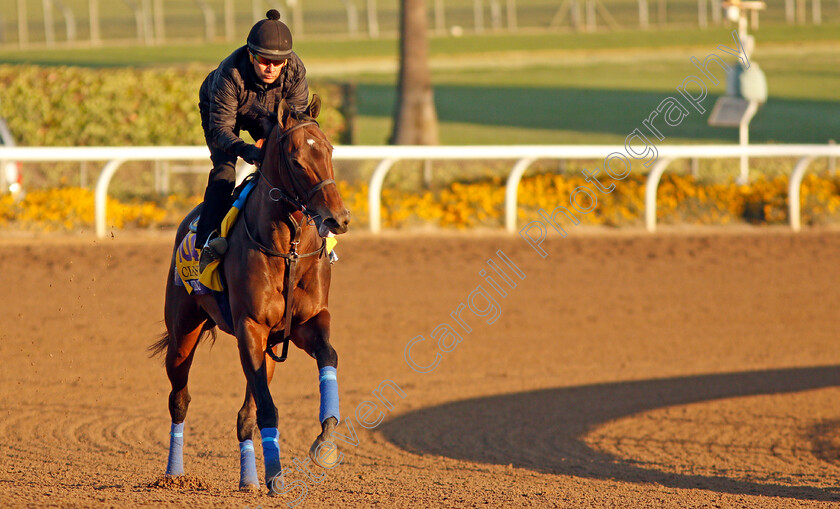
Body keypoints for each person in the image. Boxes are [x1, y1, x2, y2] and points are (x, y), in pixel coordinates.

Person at [197, 9, 309, 271]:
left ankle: (317, 231)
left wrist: (270, 147)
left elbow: (294, 127)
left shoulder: (295, 71)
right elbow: (221, 130)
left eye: (277, 62)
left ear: (286, 61)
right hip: (224, 112)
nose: (270, 68)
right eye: (263, 60)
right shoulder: (230, 72)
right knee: (224, 171)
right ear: (250, 54)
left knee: (291, 164)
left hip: (269, 115)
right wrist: (248, 150)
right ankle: (206, 242)